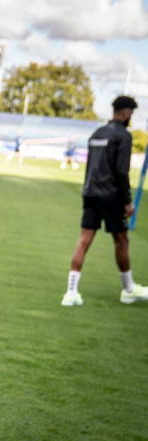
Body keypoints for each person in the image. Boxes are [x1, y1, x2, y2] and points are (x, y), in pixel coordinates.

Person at [61, 95, 148, 306]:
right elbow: (121, 171)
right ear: (126, 112)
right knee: (121, 240)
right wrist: (127, 202)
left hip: (90, 193)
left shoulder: (97, 133)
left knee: (84, 240)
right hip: (111, 196)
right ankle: (128, 289)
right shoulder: (123, 136)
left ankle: (70, 293)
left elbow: (91, 168)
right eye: (131, 114)